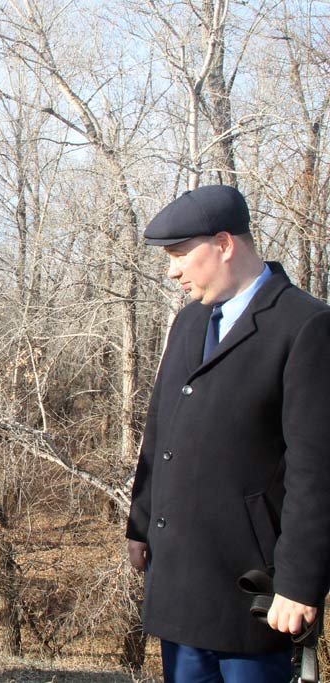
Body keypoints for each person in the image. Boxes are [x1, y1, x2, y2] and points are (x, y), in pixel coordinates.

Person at [126, 185, 330, 682]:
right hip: (181, 583)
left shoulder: (305, 326)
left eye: (179, 255)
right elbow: (160, 431)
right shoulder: (189, 322)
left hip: (255, 591)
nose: (172, 270)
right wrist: (140, 522)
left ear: (223, 244)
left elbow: (317, 469)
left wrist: (301, 584)